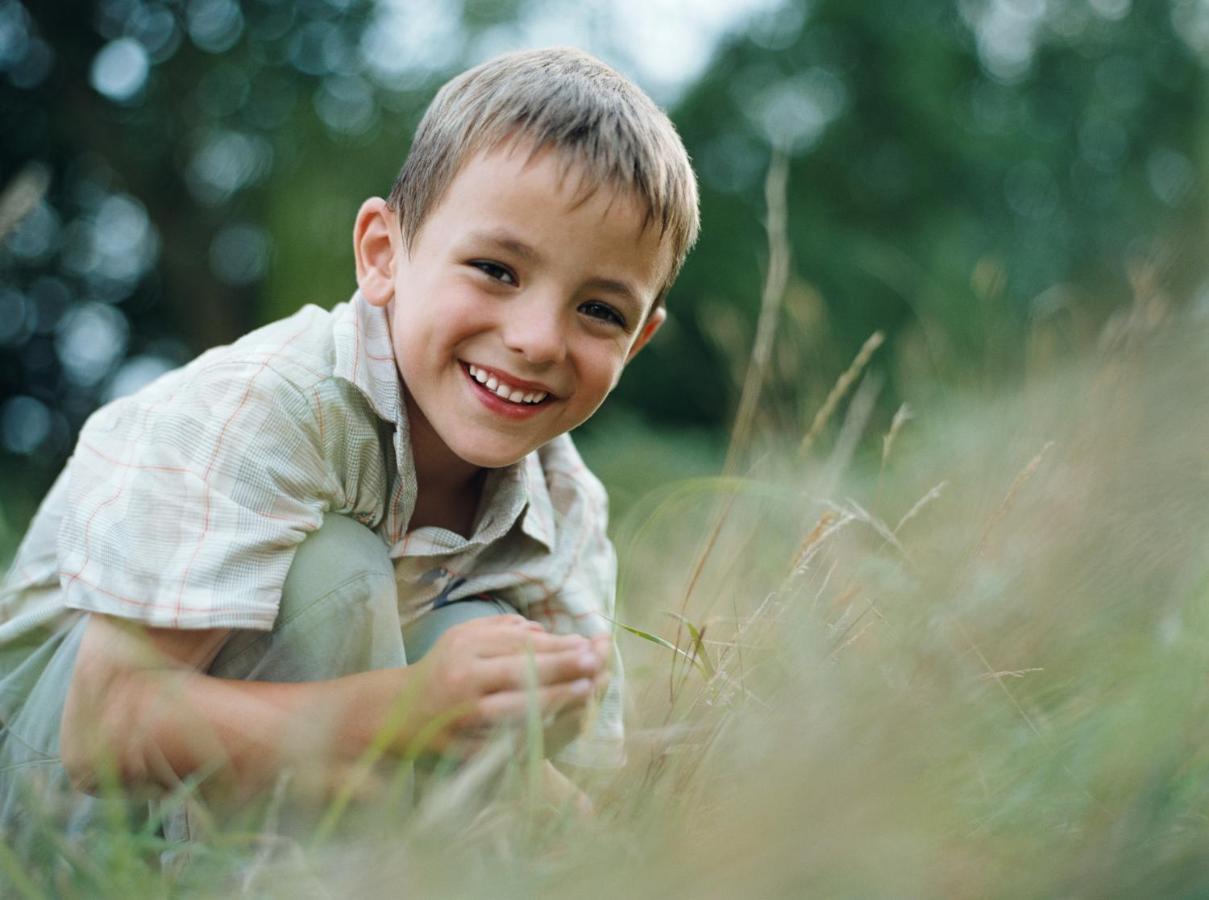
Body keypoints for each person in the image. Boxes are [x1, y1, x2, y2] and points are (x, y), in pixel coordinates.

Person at [0, 46, 700, 846]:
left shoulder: (562, 506)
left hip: (290, 808)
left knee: (490, 651)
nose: (538, 340)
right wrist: (410, 708)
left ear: (638, 341)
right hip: (45, 802)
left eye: (600, 311)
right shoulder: (267, 408)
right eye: (495, 269)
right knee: (335, 565)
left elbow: (548, 783)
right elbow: (105, 726)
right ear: (382, 255)